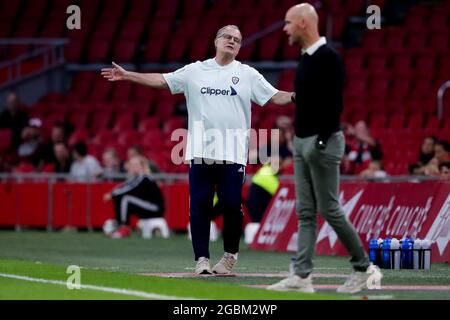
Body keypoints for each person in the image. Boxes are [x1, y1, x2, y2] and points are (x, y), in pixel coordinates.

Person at [101, 24, 294, 274]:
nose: (232, 41)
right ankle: (201, 260)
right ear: (216, 41)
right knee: (200, 205)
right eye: (227, 36)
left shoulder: (248, 74)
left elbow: (274, 95)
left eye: (237, 39)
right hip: (200, 153)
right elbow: (163, 80)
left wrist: (295, 96)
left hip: (233, 154)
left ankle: (229, 257)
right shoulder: (195, 70)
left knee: (231, 204)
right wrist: (129, 75)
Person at [268, 3, 382, 294]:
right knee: (305, 212)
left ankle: (364, 267)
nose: (285, 29)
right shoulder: (306, 57)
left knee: (330, 208)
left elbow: (333, 104)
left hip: (322, 141)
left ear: (304, 23)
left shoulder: (328, 57)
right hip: (304, 142)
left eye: (289, 23)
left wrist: (318, 141)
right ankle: (302, 275)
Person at [103, 155, 165, 238]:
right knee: (120, 197)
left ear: (140, 166)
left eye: (133, 165)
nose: (130, 167)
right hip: (146, 206)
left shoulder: (144, 177)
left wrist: (112, 194)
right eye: (130, 165)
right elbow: (123, 186)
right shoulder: (136, 177)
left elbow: (129, 188)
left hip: (155, 208)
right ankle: (119, 224)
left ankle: (124, 228)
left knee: (125, 198)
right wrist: (113, 193)